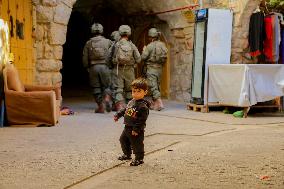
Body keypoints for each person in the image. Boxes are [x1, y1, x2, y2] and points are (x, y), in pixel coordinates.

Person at [114, 78, 150, 166]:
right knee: (123, 140)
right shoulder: (131, 102)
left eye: (138, 91)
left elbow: (142, 120)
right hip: (127, 127)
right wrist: (118, 115)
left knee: (137, 143)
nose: (135, 94)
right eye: (134, 91)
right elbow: (125, 110)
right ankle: (127, 154)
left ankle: (139, 158)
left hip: (136, 129)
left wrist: (136, 129)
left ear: (145, 92)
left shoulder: (143, 107)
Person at [82, 23, 112, 113]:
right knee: (107, 86)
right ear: (102, 31)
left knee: (96, 88)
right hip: (105, 67)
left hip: (93, 67)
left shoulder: (89, 43)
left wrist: (87, 66)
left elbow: (84, 57)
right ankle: (107, 97)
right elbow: (113, 54)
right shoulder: (108, 42)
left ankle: (100, 105)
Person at [112, 25, 141, 111]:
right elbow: (139, 59)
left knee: (118, 89)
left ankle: (120, 105)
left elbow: (108, 57)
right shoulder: (132, 45)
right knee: (130, 89)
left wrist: (112, 65)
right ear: (129, 33)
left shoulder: (116, 45)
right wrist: (134, 64)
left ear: (120, 33)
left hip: (118, 69)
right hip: (129, 70)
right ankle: (130, 106)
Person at [141, 28, 168, 111]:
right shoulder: (162, 45)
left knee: (153, 86)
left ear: (150, 37)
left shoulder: (149, 46)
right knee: (157, 85)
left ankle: (159, 103)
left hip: (151, 68)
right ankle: (154, 104)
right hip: (159, 68)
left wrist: (144, 50)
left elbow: (143, 57)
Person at [106, 31, 121, 111]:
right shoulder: (121, 45)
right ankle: (115, 105)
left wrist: (109, 66)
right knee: (117, 87)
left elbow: (107, 57)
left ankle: (107, 98)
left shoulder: (110, 45)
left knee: (109, 85)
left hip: (110, 68)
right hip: (119, 69)